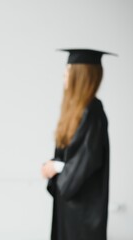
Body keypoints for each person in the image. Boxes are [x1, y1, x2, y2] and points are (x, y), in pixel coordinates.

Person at [41, 49, 114, 240]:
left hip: (84, 209)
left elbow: (88, 159)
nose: (64, 77)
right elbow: (70, 156)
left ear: (80, 77)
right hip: (69, 206)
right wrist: (52, 165)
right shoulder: (76, 111)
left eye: (68, 72)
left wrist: (56, 167)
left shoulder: (93, 111)